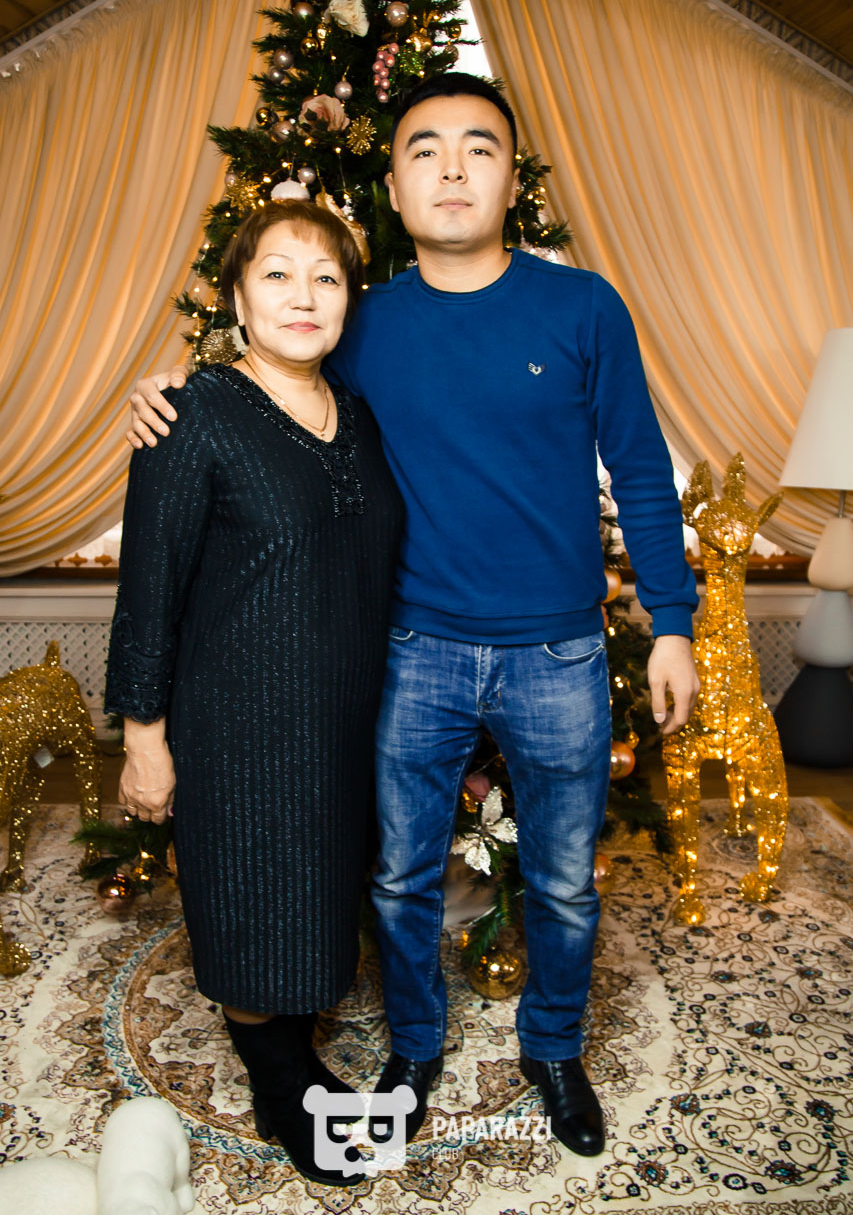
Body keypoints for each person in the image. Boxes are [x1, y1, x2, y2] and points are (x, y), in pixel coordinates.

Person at [127, 73, 699, 1159]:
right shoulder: (362, 320)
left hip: (558, 651)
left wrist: (670, 621)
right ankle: (417, 1046)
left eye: (478, 147)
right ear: (393, 188)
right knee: (396, 876)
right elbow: (266, 378)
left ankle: (554, 1048)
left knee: (564, 881)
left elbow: (638, 467)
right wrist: (168, 395)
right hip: (414, 648)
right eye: (424, 148)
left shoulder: (584, 307)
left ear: (512, 180)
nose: (451, 167)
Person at [106, 199, 404, 1187]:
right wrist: (144, 738)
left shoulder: (358, 415)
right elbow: (148, 587)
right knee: (249, 904)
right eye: (276, 273)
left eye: (325, 276)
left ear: (348, 301)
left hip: (342, 720)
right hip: (236, 723)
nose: (301, 295)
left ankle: (293, 1046)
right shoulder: (191, 413)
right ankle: (281, 1080)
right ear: (237, 299)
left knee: (316, 898)